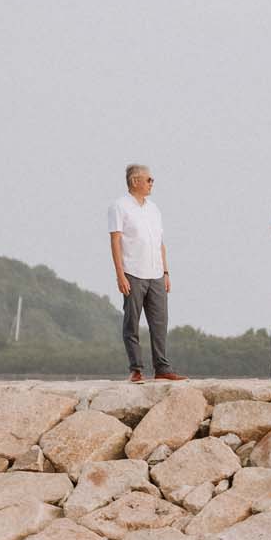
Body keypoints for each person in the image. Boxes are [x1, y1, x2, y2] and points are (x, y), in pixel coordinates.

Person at [107, 164, 185, 383]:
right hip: (133, 271)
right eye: (149, 180)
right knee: (132, 322)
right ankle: (136, 369)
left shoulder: (154, 209)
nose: (152, 183)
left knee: (160, 322)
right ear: (135, 181)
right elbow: (115, 241)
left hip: (156, 273)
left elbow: (160, 242)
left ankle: (162, 367)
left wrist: (166, 271)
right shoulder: (119, 206)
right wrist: (120, 274)